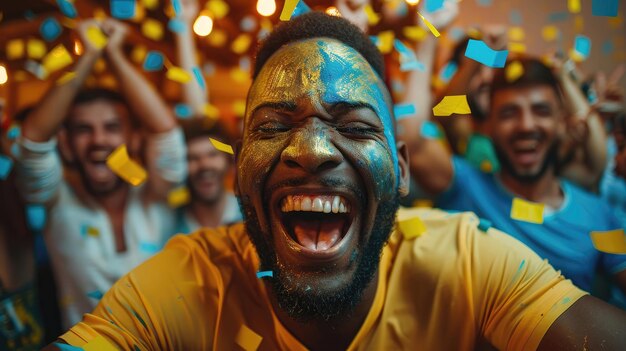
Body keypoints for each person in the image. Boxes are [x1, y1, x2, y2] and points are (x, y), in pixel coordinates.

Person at [45, 13, 626, 351]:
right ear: (241, 165)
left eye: (353, 126)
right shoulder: (189, 285)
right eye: (274, 126)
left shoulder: (466, 260)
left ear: (400, 169)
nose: (312, 150)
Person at [403, 55, 626, 297]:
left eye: (541, 111)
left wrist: (565, 74)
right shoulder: (465, 187)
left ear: (562, 123)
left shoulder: (599, 216)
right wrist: (433, 32)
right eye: (509, 113)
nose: (526, 125)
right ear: (487, 127)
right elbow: (411, 138)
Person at [15, 19, 186, 328]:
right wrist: (88, 56)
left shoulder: (156, 193)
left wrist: (115, 55)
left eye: (112, 128)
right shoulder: (58, 202)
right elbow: (33, 143)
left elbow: (166, 134)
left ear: (133, 138)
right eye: (84, 130)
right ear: (66, 145)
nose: (98, 141)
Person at [170, 0, 242, 233]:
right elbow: (196, 111)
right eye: (192, 158)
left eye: (211, 155)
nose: (203, 166)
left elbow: (199, 113)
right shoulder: (168, 221)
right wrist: (182, 27)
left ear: (228, 161)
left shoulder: (250, 215)